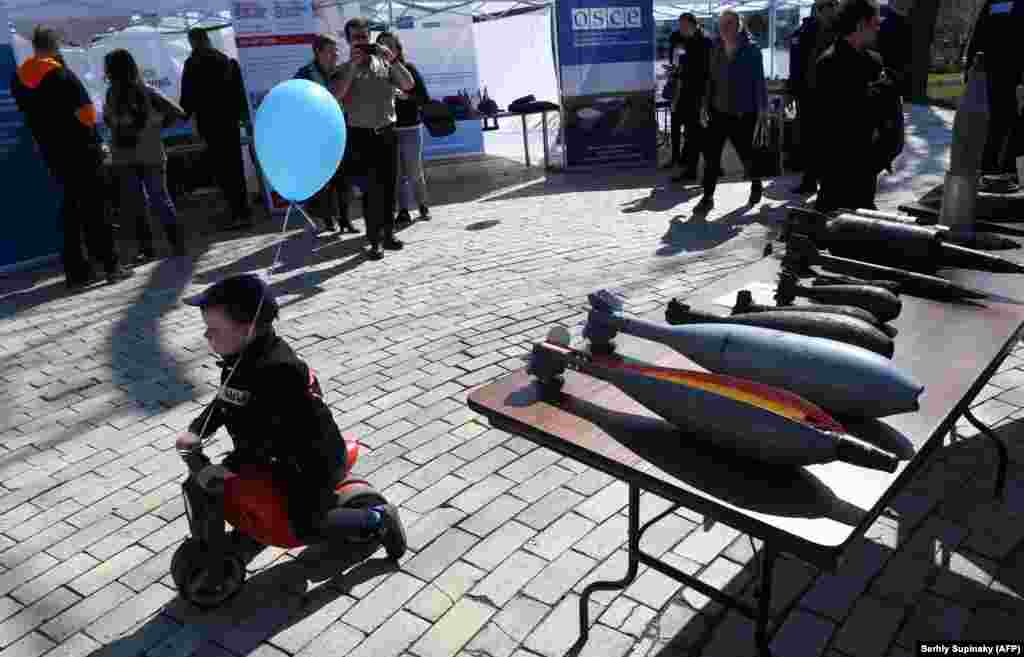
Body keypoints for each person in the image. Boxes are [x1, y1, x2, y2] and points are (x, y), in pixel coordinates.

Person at [174, 273, 407, 558]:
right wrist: (198, 430)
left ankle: (379, 520)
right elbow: (225, 400)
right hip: (268, 454)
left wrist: (231, 468)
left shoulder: (279, 370)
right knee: (204, 484)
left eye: (214, 329)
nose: (206, 336)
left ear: (248, 329)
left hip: (307, 462)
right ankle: (229, 538)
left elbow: (280, 434)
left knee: (304, 526)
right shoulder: (239, 360)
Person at [11, 26, 132, 289]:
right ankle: (111, 267)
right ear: (54, 45)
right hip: (82, 151)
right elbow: (87, 114)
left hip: (51, 153)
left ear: (35, 46)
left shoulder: (18, 79)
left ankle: (77, 273)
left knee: (69, 212)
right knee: (96, 210)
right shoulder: (62, 75)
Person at [332, 17, 415, 260]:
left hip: (387, 133)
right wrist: (353, 69)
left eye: (364, 36)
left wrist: (391, 57)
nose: (361, 40)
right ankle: (373, 240)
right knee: (370, 191)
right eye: (355, 37)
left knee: (389, 186)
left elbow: (408, 85)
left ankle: (388, 234)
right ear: (348, 41)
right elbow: (336, 95)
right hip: (361, 136)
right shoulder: (343, 69)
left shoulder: (385, 64)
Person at [104, 49, 188, 263]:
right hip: (151, 153)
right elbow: (178, 112)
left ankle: (147, 250)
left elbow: (109, 121)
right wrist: (156, 129)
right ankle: (177, 245)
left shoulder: (112, 94)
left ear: (111, 70)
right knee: (160, 199)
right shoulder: (147, 90)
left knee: (136, 203)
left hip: (124, 156)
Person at [814, 0, 884, 213]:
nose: (878, 27)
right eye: (875, 22)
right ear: (861, 24)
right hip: (838, 167)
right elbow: (826, 121)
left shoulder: (874, 61)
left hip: (867, 165)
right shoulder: (828, 64)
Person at [180, 27, 253, 230]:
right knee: (235, 167)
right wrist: (241, 117)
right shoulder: (226, 60)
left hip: (209, 124)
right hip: (229, 123)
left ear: (192, 42)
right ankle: (244, 212)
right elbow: (239, 93)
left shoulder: (192, 63)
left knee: (222, 170)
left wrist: (181, 117)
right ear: (208, 39)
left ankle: (235, 213)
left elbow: (187, 99)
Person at [695, 11, 768, 214]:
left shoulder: (752, 50)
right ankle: (707, 197)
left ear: (739, 25)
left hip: (743, 113)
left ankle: (755, 182)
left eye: (729, 23)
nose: (725, 28)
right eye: (722, 24)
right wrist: (704, 105)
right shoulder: (716, 47)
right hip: (718, 112)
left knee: (746, 154)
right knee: (712, 158)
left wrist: (763, 109)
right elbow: (710, 79)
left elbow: (759, 82)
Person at [294, 33, 358, 235]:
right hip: (317, 135)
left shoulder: (340, 72)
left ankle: (346, 220)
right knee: (323, 181)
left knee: (344, 179)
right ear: (317, 52)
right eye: (331, 52)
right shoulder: (304, 75)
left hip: (341, 131)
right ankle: (327, 219)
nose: (335, 56)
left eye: (337, 52)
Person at [376, 31, 431, 226]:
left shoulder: (408, 68)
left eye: (390, 45)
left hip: (410, 128)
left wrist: (408, 98)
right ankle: (404, 210)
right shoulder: (376, 71)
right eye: (382, 45)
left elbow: (424, 98)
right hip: (388, 129)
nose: (386, 49)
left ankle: (423, 205)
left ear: (398, 49)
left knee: (414, 170)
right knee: (397, 174)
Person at [962, 0, 1024, 174]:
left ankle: (1006, 170)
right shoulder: (992, 2)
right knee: (988, 125)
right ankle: (987, 168)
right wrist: (969, 70)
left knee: (1009, 126)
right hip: (988, 74)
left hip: (1013, 77)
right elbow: (978, 34)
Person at [787, 0, 838, 194]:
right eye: (829, 7)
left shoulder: (838, 31)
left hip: (830, 95)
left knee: (827, 139)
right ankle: (810, 180)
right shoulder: (804, 32)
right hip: (809, 94)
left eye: (834, 7)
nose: (832, 11)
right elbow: (796, 65)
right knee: (810, 138)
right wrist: (792, 92)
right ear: (819, 10)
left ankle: (823, 180)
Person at [666, 13, 714, 183]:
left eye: (683, 26)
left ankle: (699, 170)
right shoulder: (688, 40)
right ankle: (693, 168)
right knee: (693, 134)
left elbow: (706, 72)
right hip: (687, 92)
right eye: (680, 26)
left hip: (700, 94)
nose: (681, 29)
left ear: (693, 24)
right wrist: (676, 71)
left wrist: (705, 100)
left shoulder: (705, 41)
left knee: (698, 134)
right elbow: (687, 66)